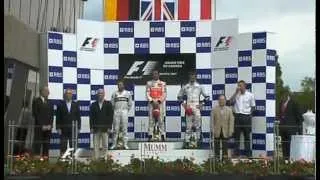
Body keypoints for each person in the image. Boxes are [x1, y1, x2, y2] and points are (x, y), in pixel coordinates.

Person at [177, 71, 210, 148]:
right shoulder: (185, 86)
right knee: (188, 126)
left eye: (193, 75)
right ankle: (187, 142)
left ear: (195, 77)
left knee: (197, 125)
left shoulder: (200, 86)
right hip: (188, 107)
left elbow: (207, 97)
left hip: (196, 106)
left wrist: (202, 104)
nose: (192, 77)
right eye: (191, 75)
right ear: (189, 76)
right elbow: (179, 96)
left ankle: (197, 141)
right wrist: (184, 104)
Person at [229, 80, 255, 157]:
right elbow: (230, 102)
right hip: (237, 117)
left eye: (241, 85)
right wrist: (235, 93)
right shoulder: (236, 95)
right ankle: (236, 154)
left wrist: (249, 115)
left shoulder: (250, 95)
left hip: (246, 117)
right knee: (237, 137)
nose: (239, 87)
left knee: (247, 137)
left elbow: (253, 107)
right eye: (238, 85)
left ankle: (248, 155)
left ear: (245, 86)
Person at [89, 89, 113, 160]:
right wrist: (91, 127)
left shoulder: (108, 104)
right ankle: (96, 158)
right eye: (99, 93)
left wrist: (109, 127)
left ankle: (104, 158)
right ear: (97, 95)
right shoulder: (93, 105)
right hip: (96, 128)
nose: (100, 94)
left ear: (104, 94)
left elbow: (110, 116)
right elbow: (91, 117)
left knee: (105, 144)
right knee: (96, 145)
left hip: (105, 128)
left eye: (101, 93)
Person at [56, 89, 81, 155]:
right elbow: (58, 117)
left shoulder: (75, 104)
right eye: (67, 93)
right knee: (63, 146)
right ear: (65, 95)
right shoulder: (60, 105)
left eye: (70, 93)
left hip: (73, 129)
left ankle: (72, 161)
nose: (68, 95)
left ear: (72, 95)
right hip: (63, 129)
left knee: (73, 146)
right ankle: (63, 161)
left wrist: (78, 127)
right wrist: (58, 128)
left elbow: (78, 117)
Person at [278, 92, 303, 159]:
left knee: (290, 145)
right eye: (281, 97)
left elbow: (299, 116)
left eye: (283, 97)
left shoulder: (294, 103)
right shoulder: (280, 103)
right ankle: (285, 159)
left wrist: (299, 129)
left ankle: (291, 159)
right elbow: (280, 115)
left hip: (291, 128)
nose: (282, 98)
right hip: (283, 128)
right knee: (284, 145)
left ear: (287, 96)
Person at [32, 86, 54, 158]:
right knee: (38, 145)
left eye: (48, 91)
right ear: (42, 91)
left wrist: (50, 125)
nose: (49, 93)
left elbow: (51, 115)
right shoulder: (36, 101)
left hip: (48, 128)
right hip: (39, 128)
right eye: (47, 91)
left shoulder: (50, 102)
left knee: (46, 145)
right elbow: (35, 114)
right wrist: (42, 126)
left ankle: (45, 162)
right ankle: (36, 163)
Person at [110, 80, 132, 150]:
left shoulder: (128, 93)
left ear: (123, 86)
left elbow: (130, 104)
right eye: (119, 85)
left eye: (121, 85)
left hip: (124, 112)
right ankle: (114, 144)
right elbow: (112, 104)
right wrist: (116, 110)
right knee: (116, 129)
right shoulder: (114, 93)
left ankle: (125, 144)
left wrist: (126, 110)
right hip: (116, 112)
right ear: (117, 86)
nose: (120, 86)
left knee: (124, 128)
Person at [211, 95, 234, 160]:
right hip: (216, 131)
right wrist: (212, 130)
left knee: (225, 147)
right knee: (216, 147)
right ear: (218, 101)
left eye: (223, 100)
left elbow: (231, 121)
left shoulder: (229, 110)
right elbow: (212, 121)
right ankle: (217, 159)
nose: (221, 101)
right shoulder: (214, 109)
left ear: (225, 101)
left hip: (226, 131)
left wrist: (231, 131)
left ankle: (225, 161)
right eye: (220, 100)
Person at [146, 70, 167, 141]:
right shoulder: (149, 83)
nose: (155, 75)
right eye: (153, 74)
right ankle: (150, 135)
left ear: (158, 75)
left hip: (159, 104)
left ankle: (162, 135)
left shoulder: (163, 83)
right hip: (151, 104)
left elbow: (164, 94)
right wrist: (152, 101)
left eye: (156, 74)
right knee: (151, 120)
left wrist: (158, 101)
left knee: (161, 119)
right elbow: (147, 93)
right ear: (152, 75)